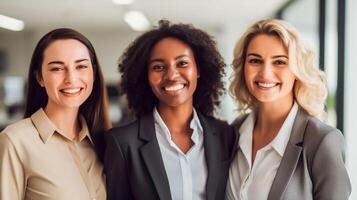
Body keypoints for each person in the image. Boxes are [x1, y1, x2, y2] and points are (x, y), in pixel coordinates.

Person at [104, 20, 236, 200]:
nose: (172, 75)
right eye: (158, 67)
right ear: (146, 76)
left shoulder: (225, 135)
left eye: (182, 63)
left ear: (198, 69)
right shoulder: (123, 143)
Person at [226, 19, 351, 200]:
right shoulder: (234, 131)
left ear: (297, 70)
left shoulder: (322, 140)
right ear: (243, 67)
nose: (265, 73)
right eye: (255, 60)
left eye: (279, 62)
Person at [0, 28, 111, 200]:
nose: (71, 78)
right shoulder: (15, 141)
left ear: (94, 74)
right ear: (40, 78)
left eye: (81, 66)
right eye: (57, 69)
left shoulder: (101, 142)